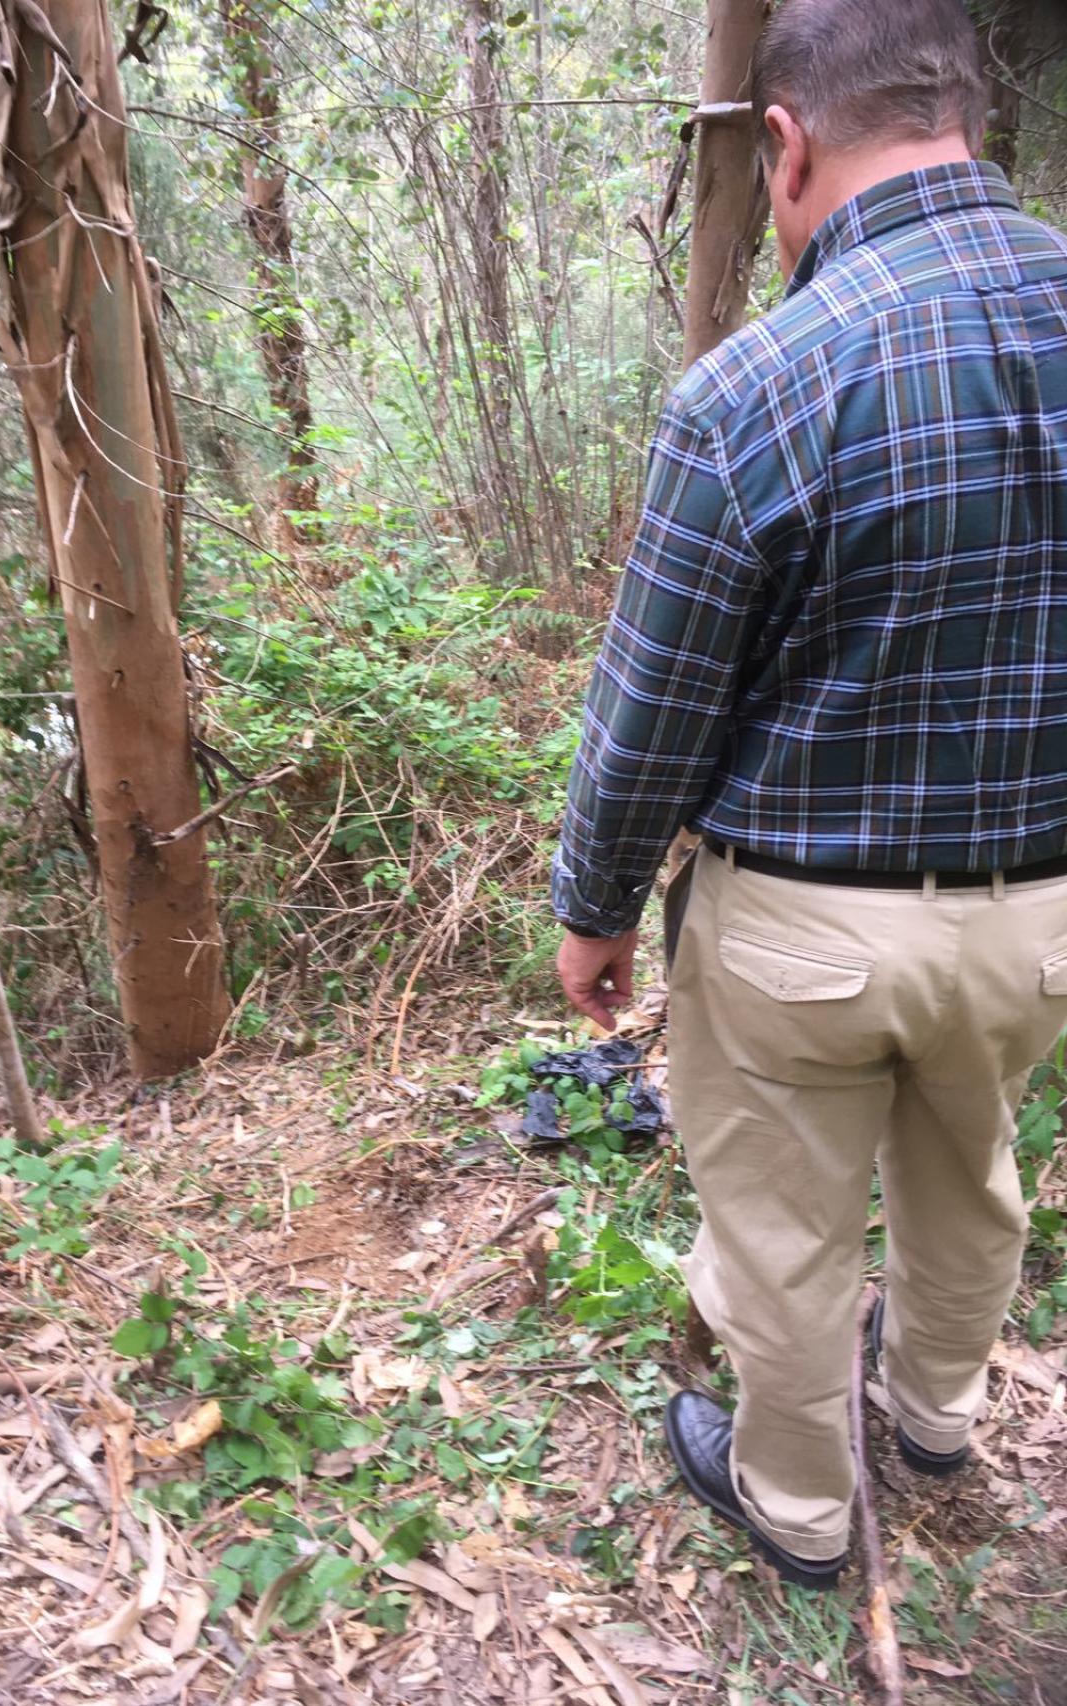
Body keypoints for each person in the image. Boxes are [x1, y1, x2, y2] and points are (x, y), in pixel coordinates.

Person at [552, 0, 1067, 1591]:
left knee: (783, 1233)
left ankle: (798, 1505)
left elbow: (653, 710)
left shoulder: (757, 386)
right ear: (967, 116)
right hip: (1041, 913)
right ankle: (932, 1415)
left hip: (798, 934)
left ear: (785, 143)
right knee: (973, 1169)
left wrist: (597, 905)